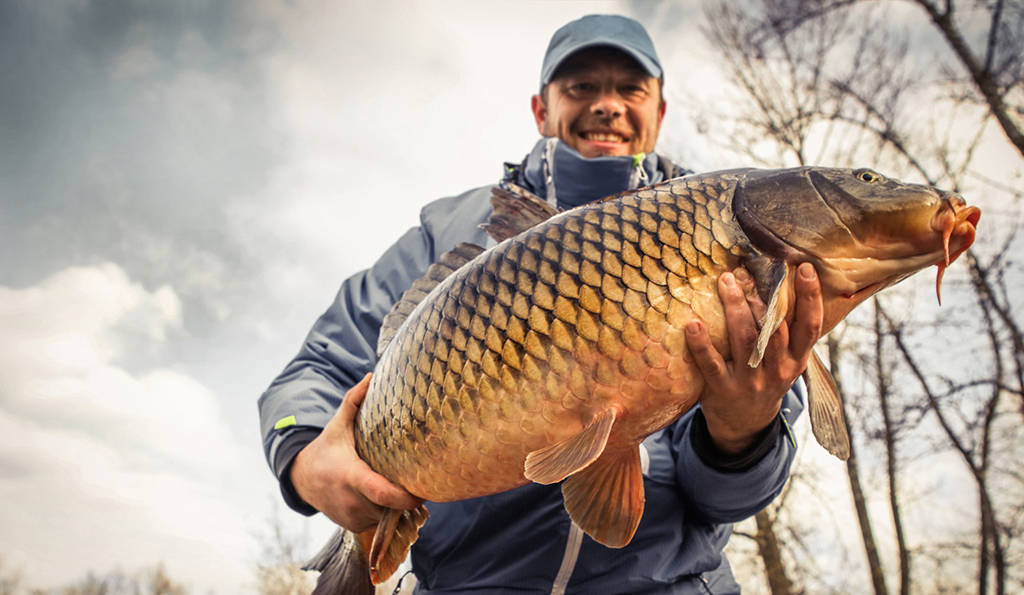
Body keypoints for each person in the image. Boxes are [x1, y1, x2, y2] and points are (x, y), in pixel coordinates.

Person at [259, 14, 823, 594]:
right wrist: (304, 457)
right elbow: (312, 372)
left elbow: (730, 498)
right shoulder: (452, 230)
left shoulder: (730, 238)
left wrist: (741, 433)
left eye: (631, 88)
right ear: (541, 109)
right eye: (581, 87)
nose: (607, 105)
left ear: (659, 112)